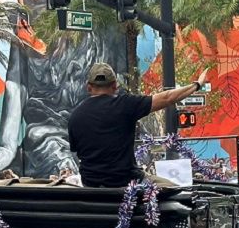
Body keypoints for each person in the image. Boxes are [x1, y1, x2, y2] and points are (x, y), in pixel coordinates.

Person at [67, 63, 207, 187]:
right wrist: (197, 85)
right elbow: (167, 97)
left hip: (90, 185)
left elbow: (76, 150)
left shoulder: (75, 116)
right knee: (177, 190)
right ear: (115, 86)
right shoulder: (126, 104)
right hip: (127, 181)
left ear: (89, 87)